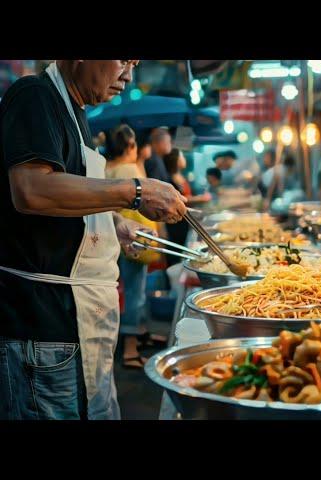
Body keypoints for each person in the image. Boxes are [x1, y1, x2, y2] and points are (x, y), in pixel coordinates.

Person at [0, 60, 186, 420]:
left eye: (134, 64)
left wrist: (112, 222)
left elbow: (69, 196)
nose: (129, 75)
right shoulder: (34, 96)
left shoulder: (77, 113)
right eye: (123, 60)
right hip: (44, 327)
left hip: (82, 321)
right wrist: (135, 191)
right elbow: (31, 190)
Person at [105, 125, 160, 369]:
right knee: (135, 294)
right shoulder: (129, 169)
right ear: (130, 145)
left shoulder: (107, 168)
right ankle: (130, 350)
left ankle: (137, 337)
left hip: (112, 240)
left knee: (126, 292)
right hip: (133, 239)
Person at [163, 148, 211, 266]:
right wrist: (200, 198)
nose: (184, 158)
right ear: (176, 160)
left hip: (185, 220)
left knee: (183, 250)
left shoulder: (180, 176)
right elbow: (178, 199)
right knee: (175, 253)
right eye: (181, 156)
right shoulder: (170, 179)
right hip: (175, 223)